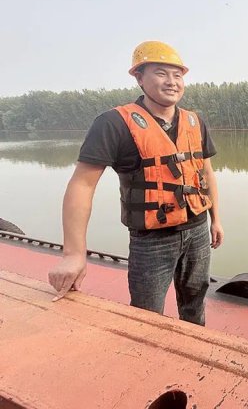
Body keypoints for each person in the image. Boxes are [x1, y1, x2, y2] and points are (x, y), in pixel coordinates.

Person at [48, 40, 224, 326]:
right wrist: (73, 254)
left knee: (195, 302)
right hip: (151, 240)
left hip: (197, 231)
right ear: (139, 77)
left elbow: (206, 173)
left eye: (178, 75)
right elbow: (82, 185)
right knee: (146, 315)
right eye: (161, 73)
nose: (172, 82)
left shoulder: (195, 122)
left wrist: (216, 219)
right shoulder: (114, 123)